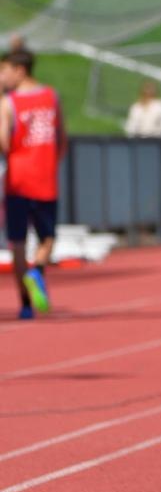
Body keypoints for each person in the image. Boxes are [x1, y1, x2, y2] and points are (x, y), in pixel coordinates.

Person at [0, 48, 67, 319]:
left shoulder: (8, 103)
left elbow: (3, 141)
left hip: (17, 178)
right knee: (47, 237)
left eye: (4, 71)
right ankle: (37, 269)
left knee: (17, 241)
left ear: (20, 70)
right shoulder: (51, 97)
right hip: (44, 177)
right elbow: (62, 139)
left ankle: (26, 305)